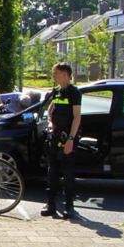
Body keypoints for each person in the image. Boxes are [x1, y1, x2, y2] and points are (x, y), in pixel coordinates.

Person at [42, 62, 82, 220]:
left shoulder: (74, 93)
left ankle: (69, 206)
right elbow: (50, 109)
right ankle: (50, 204)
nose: (54, 76)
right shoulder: (56, 92)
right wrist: (51, 123)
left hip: (68, 137)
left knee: (67, 172)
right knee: (52, 171)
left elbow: (77, 117)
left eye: (56, 73)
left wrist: (71, 139)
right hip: (55, 136)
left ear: (65, 74)